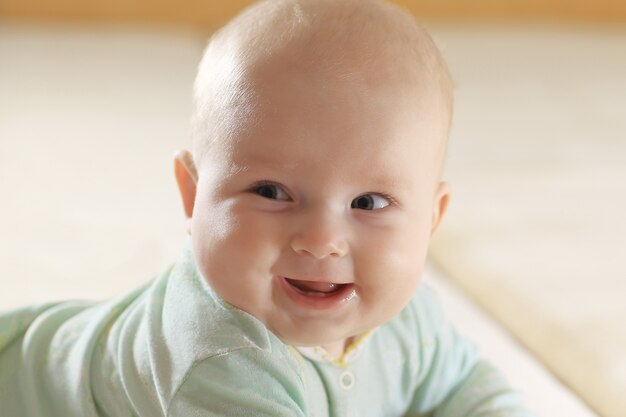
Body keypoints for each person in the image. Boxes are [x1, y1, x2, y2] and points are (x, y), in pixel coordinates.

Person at [0, 0, 537, 416]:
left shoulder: (409, 317)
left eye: (369, 202)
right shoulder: (219, 361)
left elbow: (466, 386)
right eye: (272, 192)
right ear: (192, 195)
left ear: (431, 223)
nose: (322, 238)